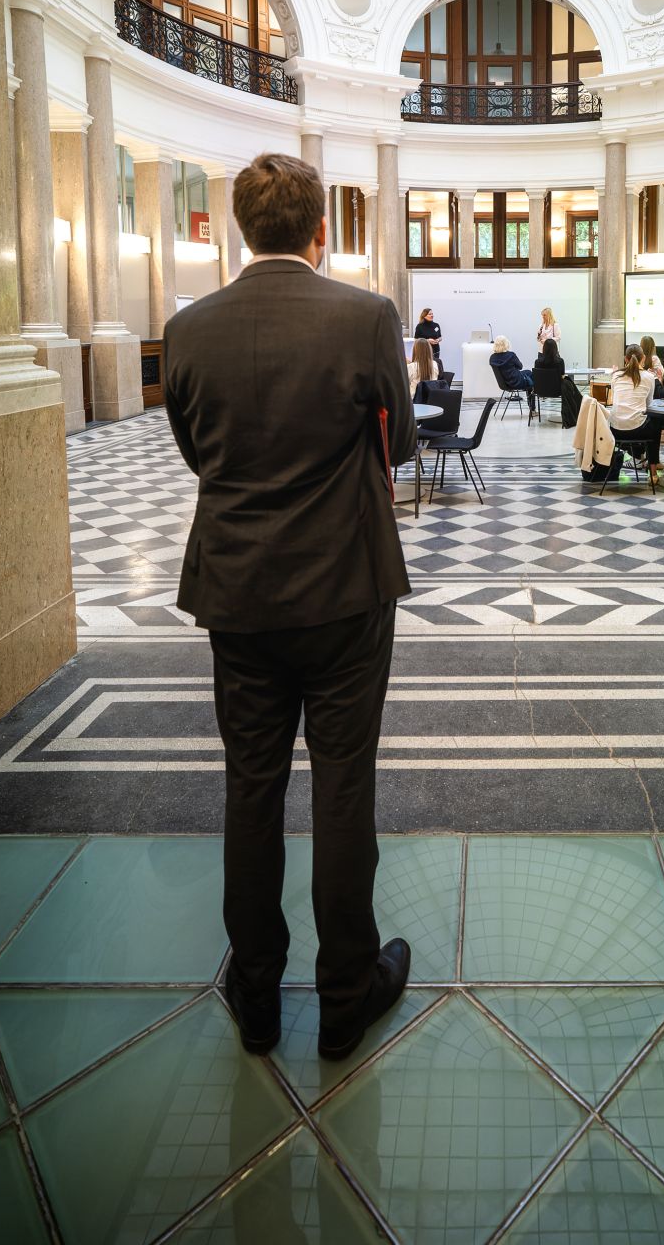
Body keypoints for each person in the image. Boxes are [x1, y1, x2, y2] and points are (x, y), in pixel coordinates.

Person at [163, 153, 416, 1064]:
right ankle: (348, 995)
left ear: (241, 229)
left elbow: (197, 449)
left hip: (239, 593)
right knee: (345, 788)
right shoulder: (365, 316)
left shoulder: (189, 329)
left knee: (251, 787)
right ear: (323, 231)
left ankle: (259, 993)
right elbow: (404, 441)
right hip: (346, 590)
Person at [608, 344, 664, 485]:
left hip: (615, 431)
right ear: (643, 358)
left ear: (625, 359)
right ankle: (653, 472)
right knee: (654, 422)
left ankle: (638, 459)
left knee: (637, 420)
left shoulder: (615, 376)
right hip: (638, 431)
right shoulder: (649, 377)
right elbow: (648, 405)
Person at [490, 335, 535, 411]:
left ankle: (532, 406)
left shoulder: (492, 358)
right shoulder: (511, 355)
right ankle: (532, 408)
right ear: (506, 344)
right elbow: (520, 366)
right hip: (517, 382)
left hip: (504, 384)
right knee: (530, 374)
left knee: (528, 373)